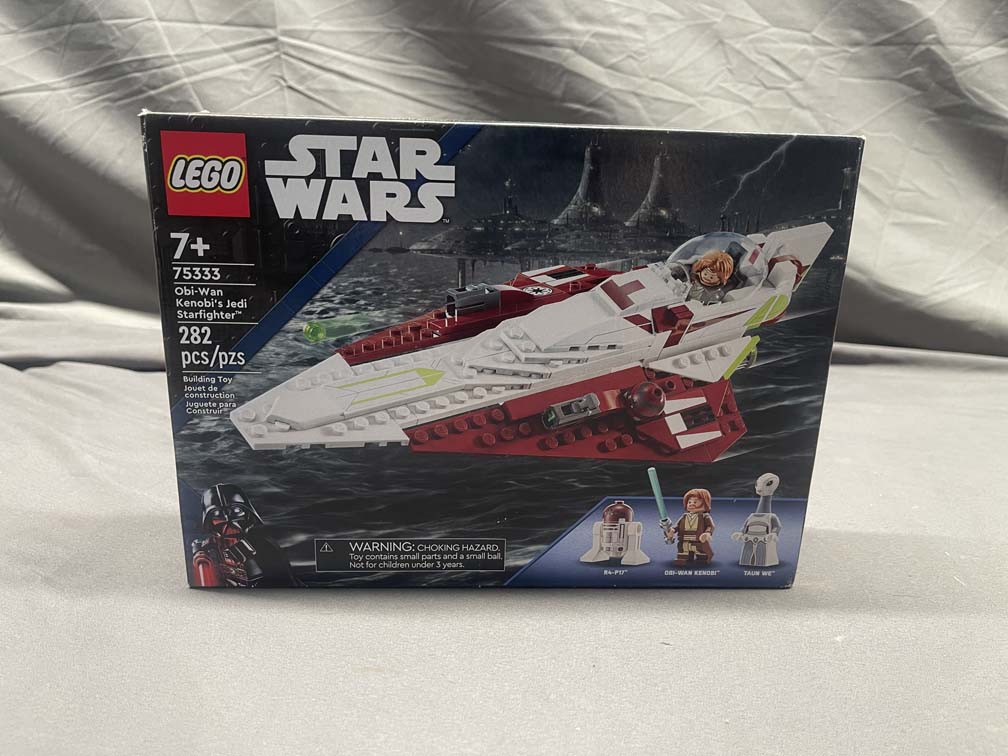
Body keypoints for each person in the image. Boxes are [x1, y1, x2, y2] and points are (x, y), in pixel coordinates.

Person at [662, 487, 715, 565]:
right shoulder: (684, 516)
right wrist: (671, 530)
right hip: (684, 540)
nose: (691, 504)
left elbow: (710, 526)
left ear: (705, 503)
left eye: (695, 502)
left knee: (701, 553)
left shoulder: (705, 516)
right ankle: (683, 558)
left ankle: (703, 557)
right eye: (689, 502)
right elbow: (677, 526)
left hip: (698, 541)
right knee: (683, 551)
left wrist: (707, 533)